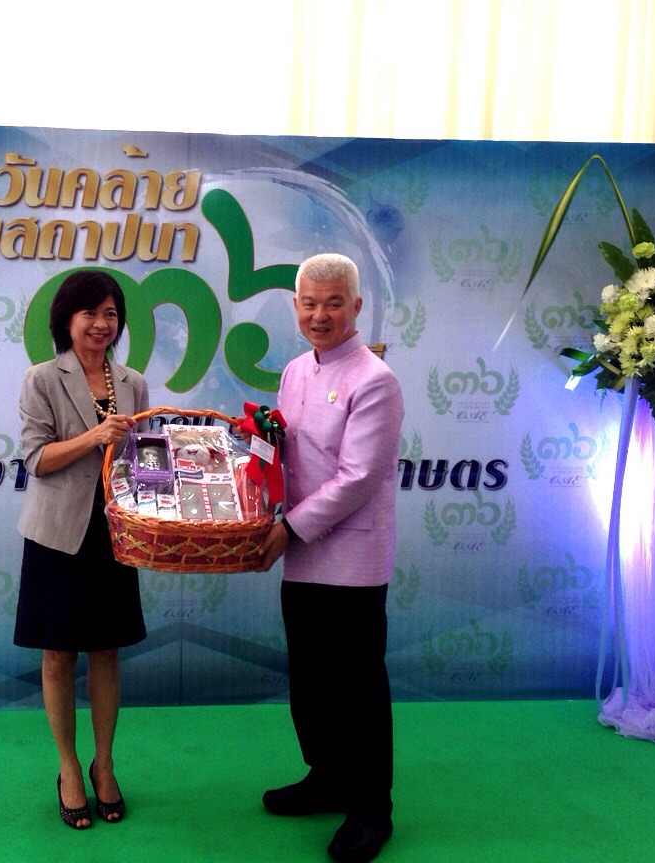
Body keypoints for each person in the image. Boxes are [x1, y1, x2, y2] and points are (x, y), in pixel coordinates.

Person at [255, 253, 404, 863]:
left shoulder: (375, 379)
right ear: (295, 306)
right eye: (310, 304)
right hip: (300, 550)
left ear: (356, 307)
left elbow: (358, 477)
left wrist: (287, 529)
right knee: (311, 681)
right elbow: (286, 454)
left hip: (351, 558)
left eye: (334, 303)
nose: (320, 315)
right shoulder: (295, 370)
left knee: (357, 688)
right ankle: (327, 777)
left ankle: (372, 809)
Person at [13, 269, 150, 830]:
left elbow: (142, 460)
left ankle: (105, 764)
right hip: (58, 535)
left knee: (107, 651)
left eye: (110, 314)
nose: (101, 324)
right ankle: (69, 767)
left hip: (114, 533)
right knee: (58, 655)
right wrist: (94, 436)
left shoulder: (134, 383)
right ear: (66, 320)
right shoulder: (42, 378)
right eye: (89, 313)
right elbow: (36, 459)